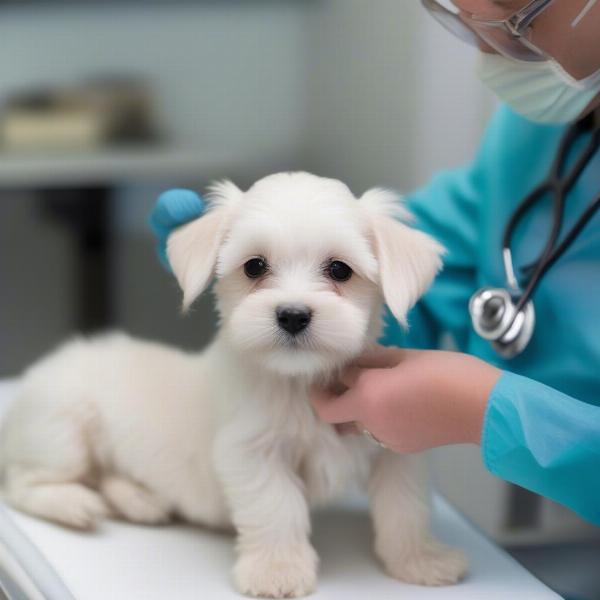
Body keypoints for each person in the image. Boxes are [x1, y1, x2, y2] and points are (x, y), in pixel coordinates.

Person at [150, 0, 600, 526]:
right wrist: (223, 262)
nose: (483, 47)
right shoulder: (537, 131)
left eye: (517, 19)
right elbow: (417, 282)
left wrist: (487, 411)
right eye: (455, 16)